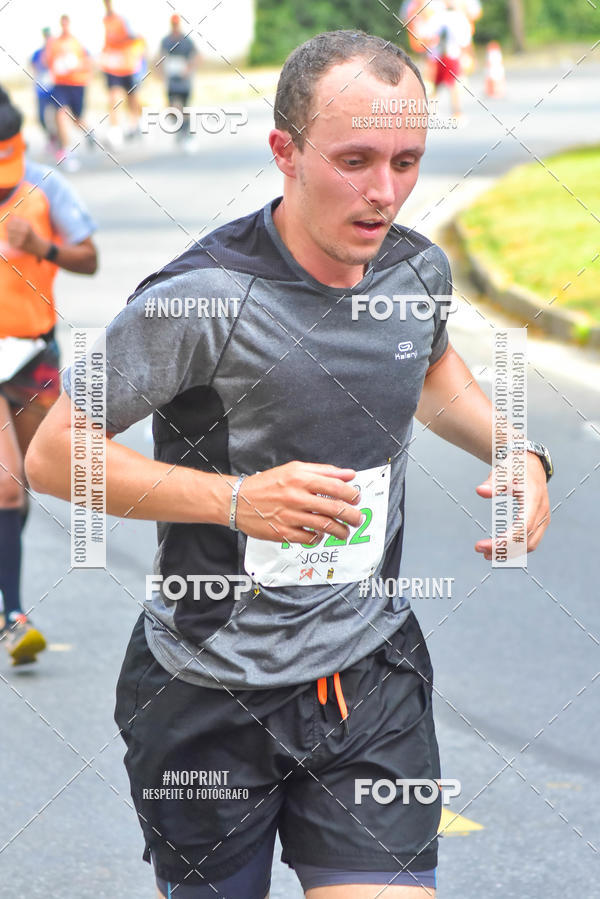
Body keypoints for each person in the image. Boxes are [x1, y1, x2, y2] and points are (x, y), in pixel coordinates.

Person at [26, 30, 553, 898]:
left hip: (368, 678)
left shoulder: (418, 269)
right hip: (207, 690)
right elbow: (54, 456)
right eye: (353, 159)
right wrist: (237, 501)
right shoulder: (202, 299)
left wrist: (518, 448)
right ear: (285, 150)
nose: (384, 192)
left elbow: (427, 370)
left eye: (407, 160)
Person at [0, 88, 97, 665]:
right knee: (7, 484)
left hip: (32, 353)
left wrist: (45, 248)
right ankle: (12, 614)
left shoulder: (44, 186)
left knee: (32, 477)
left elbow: (90, 257)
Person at [46, 14, 93, 170]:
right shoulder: (54, 44)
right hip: (61, 85)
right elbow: (47, 61)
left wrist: (76, 65)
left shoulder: (78, 43)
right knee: (61, 114)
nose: (65, 26)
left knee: (77, 119)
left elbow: (89, 61)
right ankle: (68, 153)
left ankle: (89, 132)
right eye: (62, 24)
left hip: (77, 84)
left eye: (67, 23)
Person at [99, 0, 145, 146]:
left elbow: (137, 38)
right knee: (113, 97)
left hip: (128, 65)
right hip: (112, 67)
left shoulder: (123, 20)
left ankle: (137, 121)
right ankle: (115, 131)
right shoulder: (104, 20)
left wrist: (137, 57)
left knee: (132, 98)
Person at [157, 13, 198, 144]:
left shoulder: (186, 41)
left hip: (184, 79)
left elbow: (197, 56)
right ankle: (181, 128)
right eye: (173, 24)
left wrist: (189, 69)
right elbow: (160, 57)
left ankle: (187, 132)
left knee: (184, 107)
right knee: (172, 108)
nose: (175, 27)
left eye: (176, 24)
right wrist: (160, 73)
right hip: (172, 79)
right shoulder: (166, 41)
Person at [428, 0, 473, 119]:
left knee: (437, 83)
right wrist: (468, 55)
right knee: (453, 84)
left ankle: (430, 108)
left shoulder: (437, 17)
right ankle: (456, 111)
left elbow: (430, 36)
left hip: (438, 55)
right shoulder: (460, 18)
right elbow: (464, 40)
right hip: (452, 55)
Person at [30, 26, 58, 152]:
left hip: (54, 89)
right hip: (41, 90)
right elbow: (34, 69)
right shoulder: (37, 53)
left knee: (57, 116)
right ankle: (51, 136)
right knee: (41, 117)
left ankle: (60, 143)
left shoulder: (56, 52)